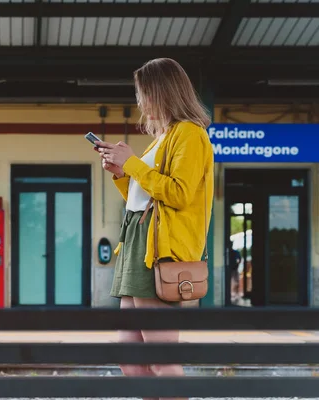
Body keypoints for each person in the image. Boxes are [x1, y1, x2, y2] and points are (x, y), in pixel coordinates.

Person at [94, 58, 214, 400]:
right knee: (132, 363)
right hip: (135, 244)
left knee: (161, 362)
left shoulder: (190, 134)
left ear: (162, 91)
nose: (140, 101)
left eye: (142, 92)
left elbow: (178, 193)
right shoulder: (161, 137)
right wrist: (121, 173)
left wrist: (131, 162)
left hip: (158, 252)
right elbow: (141, 198)